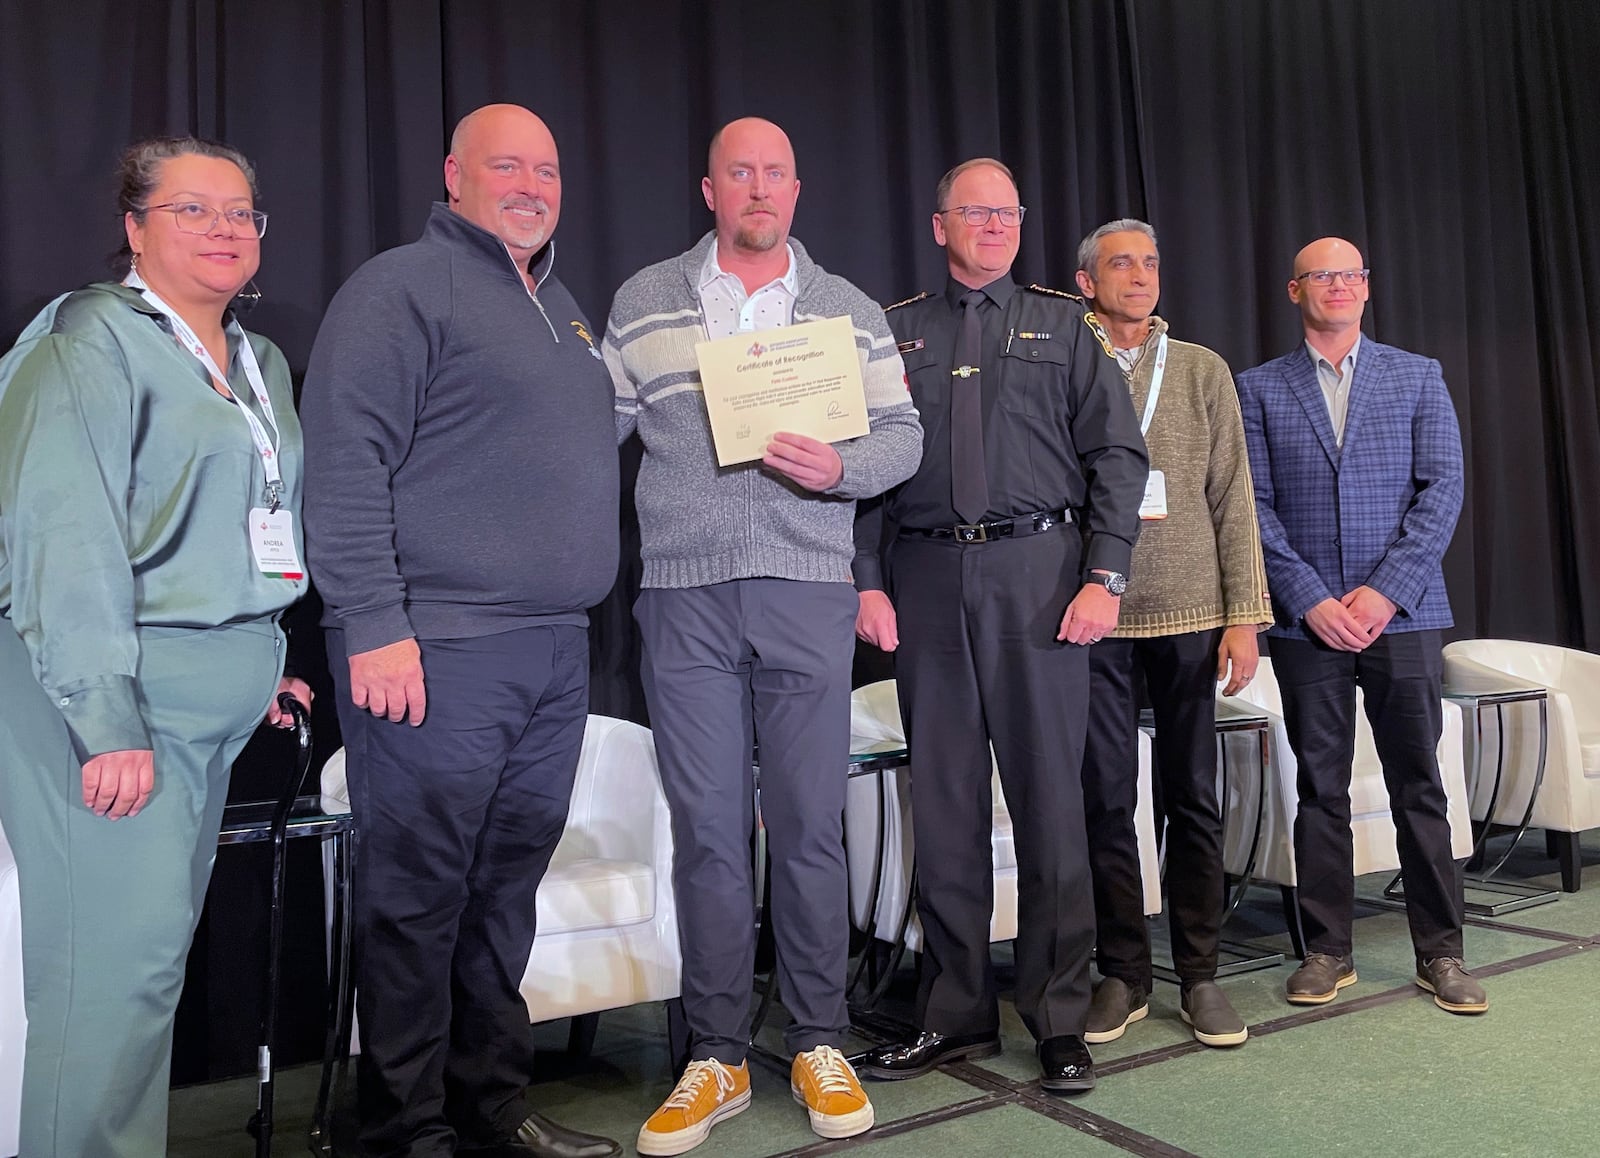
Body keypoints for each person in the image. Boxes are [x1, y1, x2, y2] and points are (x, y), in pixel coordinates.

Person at [300, 104, 622, 1158]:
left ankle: (490, 1111)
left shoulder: (563, 307)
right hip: (436, 649)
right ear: (452, 173)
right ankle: (404, 1133)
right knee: (418, 900)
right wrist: (372, 624)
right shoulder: (398, 289)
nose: (531, 183)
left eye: (547, 165)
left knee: (502, 897)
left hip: (552, 651)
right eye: (506, 165)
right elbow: (343, 467)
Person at [603, 116, 922, 1155]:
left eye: (774, 172)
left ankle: (820, 1037)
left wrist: (844, 471)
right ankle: (716, 1054)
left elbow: (903, 436)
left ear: (795, 189)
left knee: (808, 824)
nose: (757, 188)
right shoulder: (646, 300)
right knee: (705, 829)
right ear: (708, 189)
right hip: (683, 595)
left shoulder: (847, 310)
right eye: (737, 171)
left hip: (806, 588)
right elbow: (587, 428)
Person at [0, 136, 311, 1158]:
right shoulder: (89, 342)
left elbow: (242, 525)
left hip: (208, 702)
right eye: (193, 209)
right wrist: (106, 721)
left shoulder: (256, 361)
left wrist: (263, 665)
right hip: (114, 706)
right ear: (134, 227)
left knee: (146, 978)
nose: (225, 229)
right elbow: (63, 538)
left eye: (241, 212)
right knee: (108, 982)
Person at [853, 160, 1147, 1093]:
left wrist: (1106, 577)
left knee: (1052, 806)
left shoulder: (1067, 327)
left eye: (1008, 212)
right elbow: (860, 472)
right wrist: (866, 581)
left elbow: (1118, 459)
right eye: (975, 212)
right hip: (927, 578)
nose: (994, 225)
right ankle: (955, 1013)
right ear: (940, 225)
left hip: (1042, 577)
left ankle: (1060, 1018)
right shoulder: (892, 333)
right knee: (942, 805)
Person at [1235, 237, 1484, 1015]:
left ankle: (1441, 954)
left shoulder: (1417, 375)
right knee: (1320, 789)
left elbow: (1441, 490)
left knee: (1421, 786)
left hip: (1402, 617)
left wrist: (1385, 593)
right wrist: (1308, 598)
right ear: (1294, 290)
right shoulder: (1258, 388)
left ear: (1366, 289)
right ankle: (1327, 951)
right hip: (1306, 623)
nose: (1337, 286)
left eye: (1350, 274)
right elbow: (1253, 510)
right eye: (1322, 276)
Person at [1071, 219, 1272, 1048]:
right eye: (1121, 263)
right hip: (1093, 612)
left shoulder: (1200, 368)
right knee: (1106, 800)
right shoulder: (1063, 359)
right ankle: (1123, 973)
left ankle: (1199, 975)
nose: (1141, 275)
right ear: (1086, 281)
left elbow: (1233, 496)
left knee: (1192, 796)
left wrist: (1244, 615)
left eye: (1151, 261)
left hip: (1192, 611)